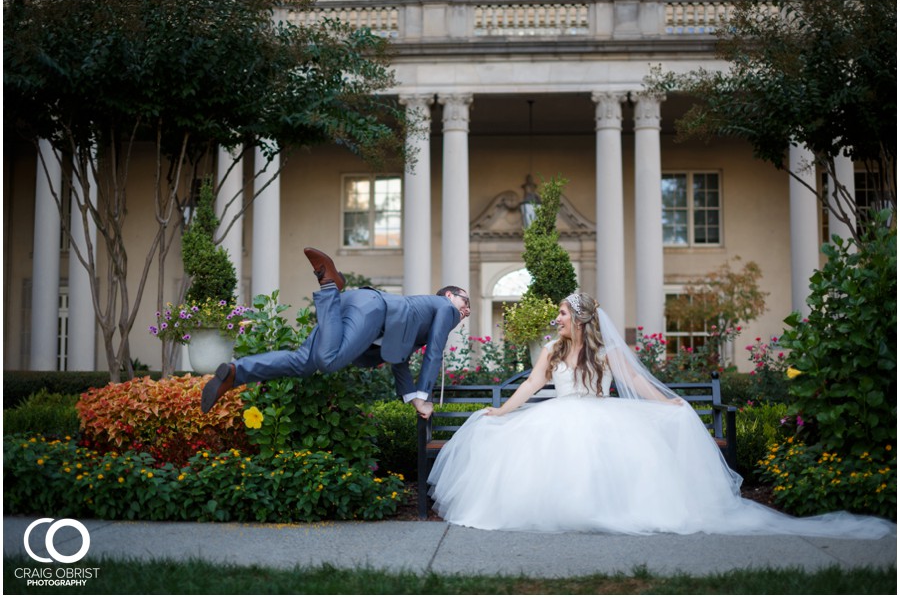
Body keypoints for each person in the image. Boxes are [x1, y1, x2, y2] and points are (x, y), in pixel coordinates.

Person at [427, 292, 895, 538]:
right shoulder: (551, 350)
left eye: (564, 314)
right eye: (560, 314)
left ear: (582, 319)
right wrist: (503, 411)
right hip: (558, 415)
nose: (558, 319)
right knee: (520, 441)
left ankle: (604, 511)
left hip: (599, 416)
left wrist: (670, 403)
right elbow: (531, 386)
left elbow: (638, 385)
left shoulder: (606, 352)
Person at [201, 248, 471, 419]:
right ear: (449, 295)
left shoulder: (418, 321)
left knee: (304, 362)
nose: (467, 311)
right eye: (465, 302)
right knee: (329, 361)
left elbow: (398, 359)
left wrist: (413, 401)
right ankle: (330, 285)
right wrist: (424, 397)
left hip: (355, 305)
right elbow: (434, 352)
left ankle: (237, 373)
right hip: (372, 310)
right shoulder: (446, 309)